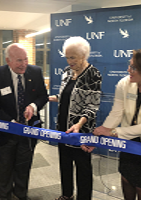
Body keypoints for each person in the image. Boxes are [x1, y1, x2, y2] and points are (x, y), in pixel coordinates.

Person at [90, 46, 141, 200]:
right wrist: (100, 135)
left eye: (134, 67)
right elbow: (117, 112)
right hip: (127, 143)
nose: (129, 70)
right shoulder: (124, 83)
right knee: (126, 179)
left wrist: (113, 133)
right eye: (129, 65)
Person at [0, 43, 48, 200]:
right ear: (8, 60)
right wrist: (10, 122)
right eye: (19, 60)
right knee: (5, 167)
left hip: (28, 131)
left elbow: (43, 96)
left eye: (26, 59)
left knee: (24, 166)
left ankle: (20, 194)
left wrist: (33, 106)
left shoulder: (35, 72)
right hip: (6, 131)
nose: (24, 64)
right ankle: (4, 196)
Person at [49, 36, 102, 200]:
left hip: (81, 130)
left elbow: (92, 106)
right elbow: (68, 96)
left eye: (73, 57)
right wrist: (53, 98)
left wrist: (79, 124)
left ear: (84, 55)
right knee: (64, 164)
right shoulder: (66, 72)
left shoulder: (93, 74)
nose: (69, 61)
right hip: (63, 128)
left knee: (83, 167)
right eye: (67, 57)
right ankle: (67, 194)